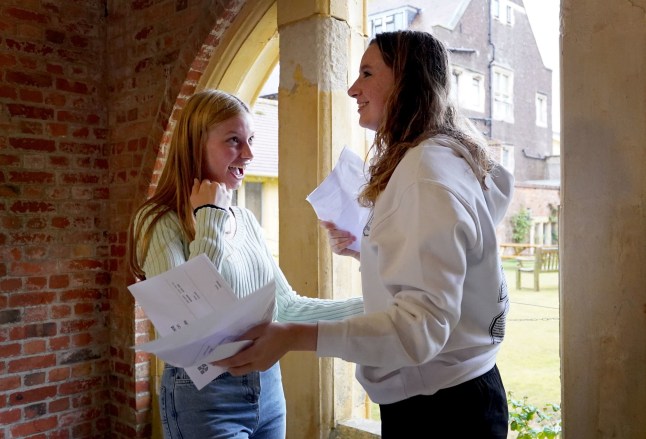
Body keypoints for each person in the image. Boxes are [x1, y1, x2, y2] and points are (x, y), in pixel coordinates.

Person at [215, 30, 514, 438]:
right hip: (453, 394)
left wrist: (293, 337)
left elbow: (418, 328)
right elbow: (446, 263)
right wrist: (373, 252)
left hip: (440, 410)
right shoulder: (436, 158)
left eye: (368, 72)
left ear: (407, 81)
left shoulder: (425, 177)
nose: (353, 88)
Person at [127, 89, 364, 439]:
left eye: (250, 140)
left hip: (267, 387)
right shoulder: (159, 220)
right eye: (234, 141)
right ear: (195, 145)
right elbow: (189, 326)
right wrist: (209, 216)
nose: (249, 153)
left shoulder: (247, 220)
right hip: (205, 396)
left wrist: (375, 308)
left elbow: (287, 307)